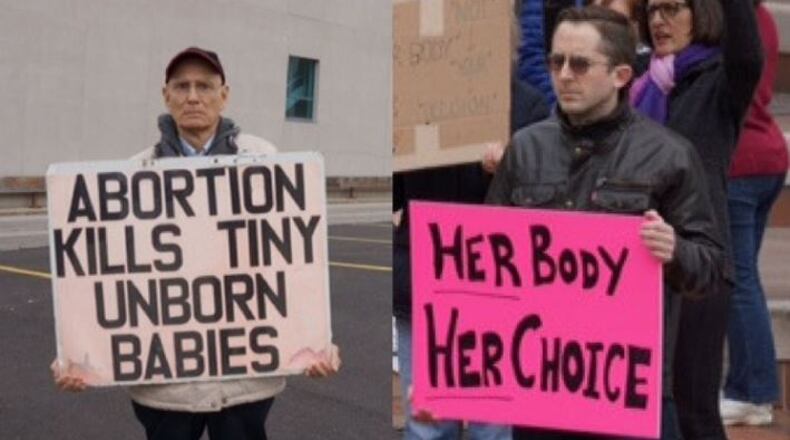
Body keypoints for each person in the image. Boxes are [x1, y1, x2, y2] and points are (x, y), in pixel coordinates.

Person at [51, 46, 341, 440]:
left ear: (225, 94)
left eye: (204, 86)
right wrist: (77, 354)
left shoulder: (266, 161)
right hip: (165, 388)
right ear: (165, 95)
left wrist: (315, 341)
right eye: (181, 86)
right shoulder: (132, 175)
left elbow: (293, 265)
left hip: (244, 382)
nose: (192, 96)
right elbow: (104, 276)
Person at [485, 7, 725, 439]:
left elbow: (709, 268)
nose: (564, 75)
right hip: (543, 390)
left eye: (580, 64)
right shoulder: (524, 149)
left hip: (630, 392)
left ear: (620, 75)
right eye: (556, 62)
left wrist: (674, 250)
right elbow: (484, 270)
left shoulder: (670, 156)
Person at [630, 0, 763, 437]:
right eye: (652, 10)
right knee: (646, 400)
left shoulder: (720, 81)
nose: (658, 20)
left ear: (701, 13)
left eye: (672, 9)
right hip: (640, 257)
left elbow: (748, 54)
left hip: (698, 262)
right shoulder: (639, 82)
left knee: (692, 404)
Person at [720, 0, 788, 427]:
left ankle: (754, 392)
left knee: (738, 278)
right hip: (768, 158)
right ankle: (749, 385)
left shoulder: (727, 18)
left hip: (739, 163)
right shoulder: (759, 15)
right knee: (745, 277)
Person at [592, 0, 651, 75]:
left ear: (635, 25)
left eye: (618, 21)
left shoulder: (649, 66)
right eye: (603, 21)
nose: (610, 29)